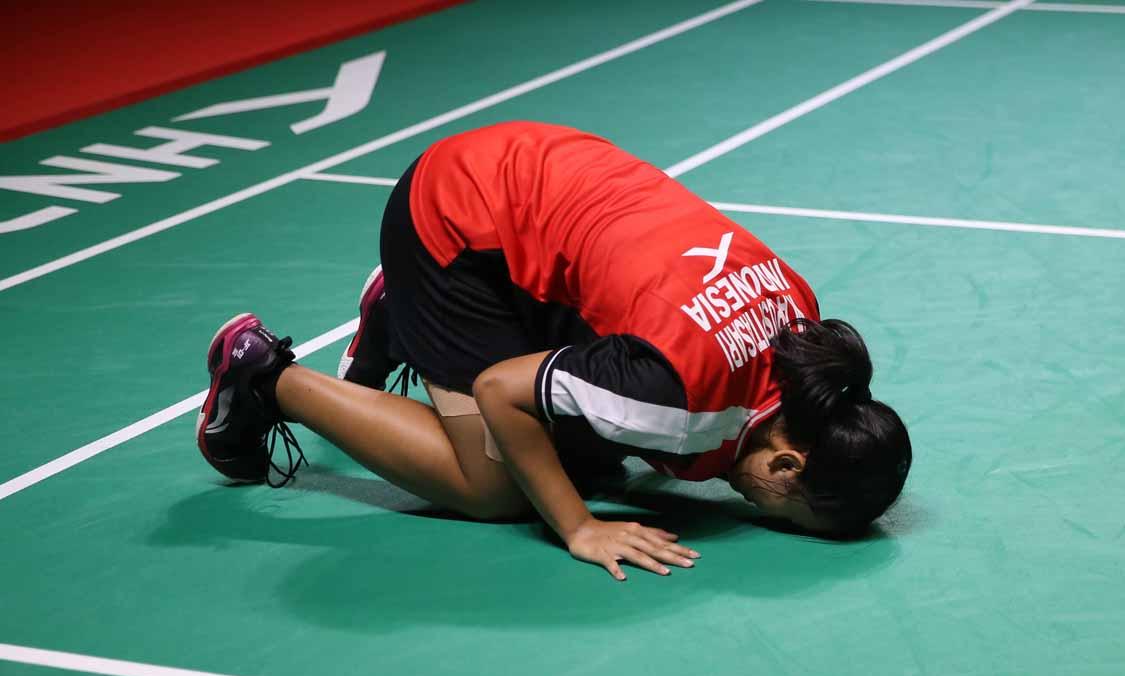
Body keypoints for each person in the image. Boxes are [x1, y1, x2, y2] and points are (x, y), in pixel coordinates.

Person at [195, 122, 912, 581]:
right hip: (455, 219)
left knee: (588, 448)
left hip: (549, 169)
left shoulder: (805, 334)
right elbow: (504, 390)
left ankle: (402, 311)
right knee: (498, 487)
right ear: (789, 461)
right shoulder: (674, 396)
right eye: (788, 511)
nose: (763, 509)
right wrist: (578, 526)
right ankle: (266, 374)